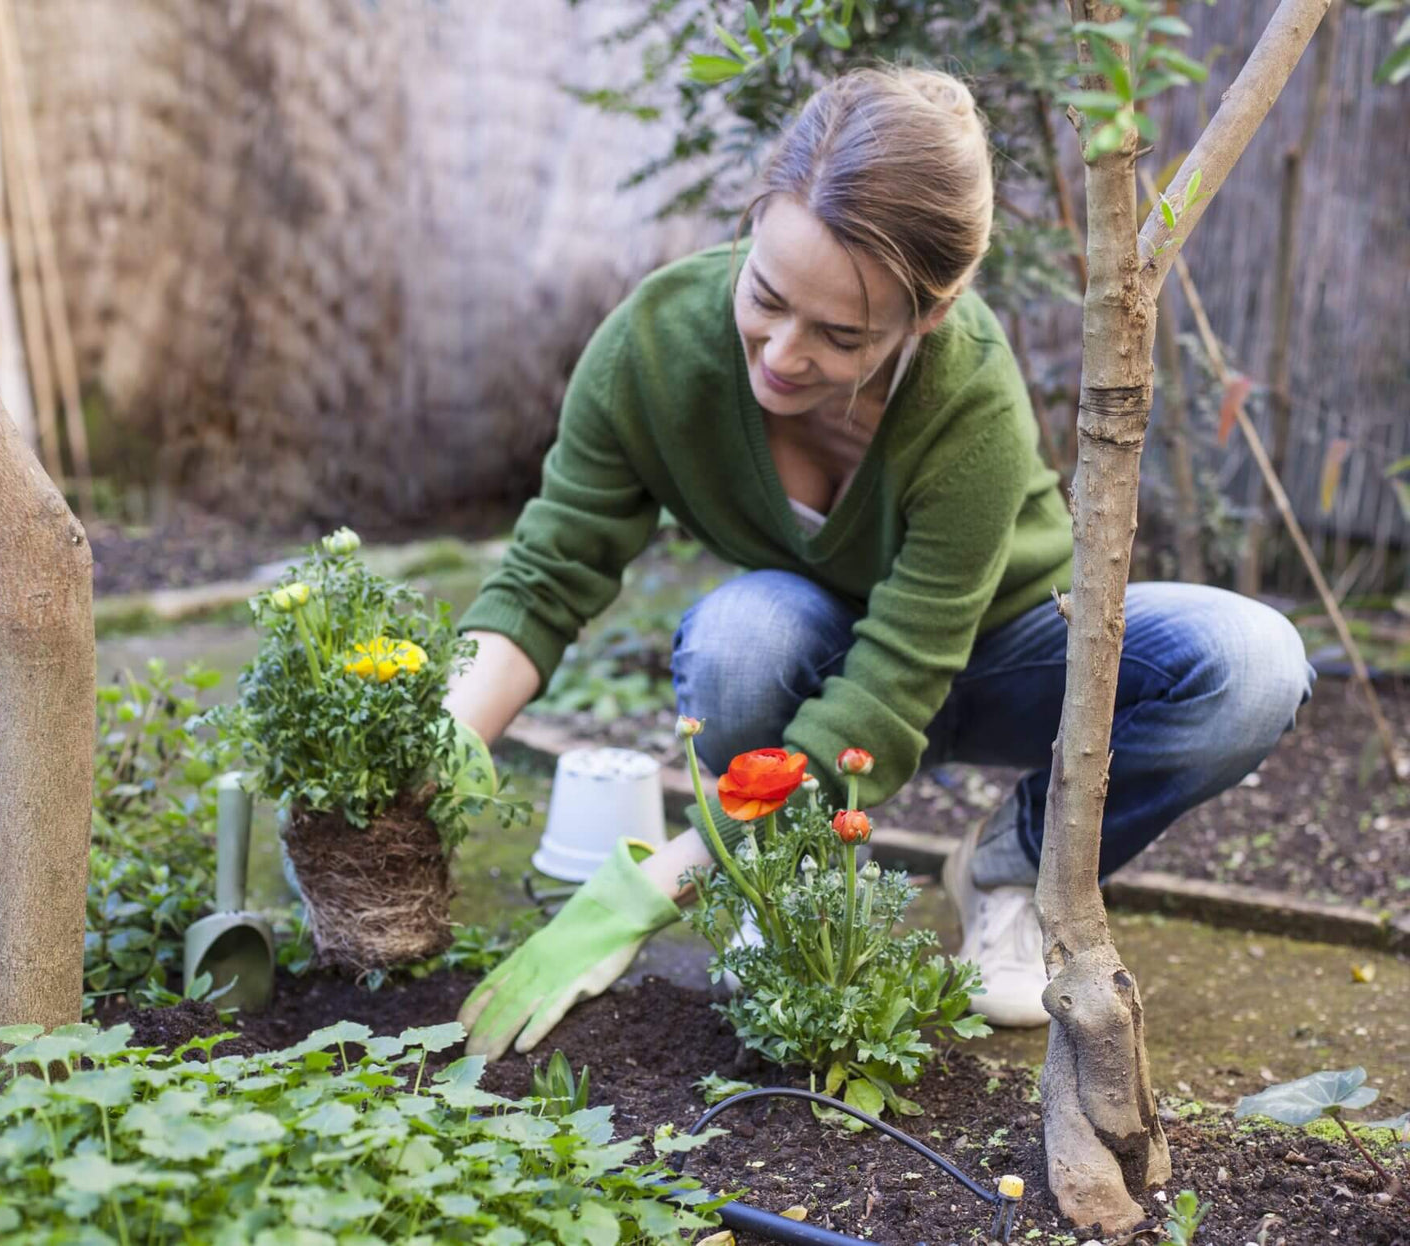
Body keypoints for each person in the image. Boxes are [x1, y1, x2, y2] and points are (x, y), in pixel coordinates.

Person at [444, 67, 1314, 1060]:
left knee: (1252, 664)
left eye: (840, 335)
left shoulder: (966, 396)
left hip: (1005, 655)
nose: (778, 352)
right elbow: (549, 572)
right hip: (815, 658)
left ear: (928, 316)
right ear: (756, 220)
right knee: (742, 633)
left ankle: (1005, 871)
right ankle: (788, 884)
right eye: (764, 296)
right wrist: (438, 746)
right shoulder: (653, 350)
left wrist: (671, 871)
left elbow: (895, 684)